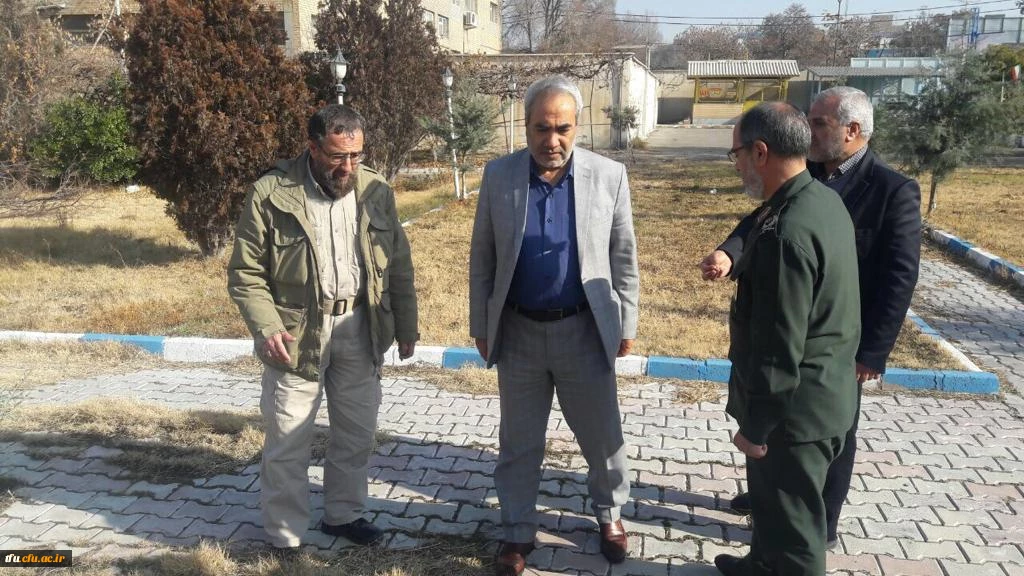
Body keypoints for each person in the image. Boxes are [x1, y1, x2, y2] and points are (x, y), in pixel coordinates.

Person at [702, 86, 921, 549]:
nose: (809, 129)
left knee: (828, 433)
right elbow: (759, 220)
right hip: (797, 329)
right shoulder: (809, 174)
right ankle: (772, 504)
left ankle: (820, 524)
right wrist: (730, 252)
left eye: (819, 123)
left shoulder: (891, 189)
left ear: (853, 131)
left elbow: (898, 277)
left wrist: (873, 351)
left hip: (838, 340)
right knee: (781, 434)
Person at [469, 75, 639, 576]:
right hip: (519, 332)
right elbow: (482, 257)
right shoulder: (499, 176)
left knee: (602, 436)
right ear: (526, 126)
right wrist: (482, 322)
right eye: (541, 128)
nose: (552, 140)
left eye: (562, 128)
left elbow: (623, 256)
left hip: (583, 330)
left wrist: (626, 321)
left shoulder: (608, 176)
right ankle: (517, 530)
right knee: (519, 442)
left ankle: (609, 515)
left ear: (577, 126)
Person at [228, 104, 418, 551]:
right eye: (337, 156)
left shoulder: (375, 190)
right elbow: (246, 272)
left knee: (356, 432)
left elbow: (398, 263)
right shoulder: (272, 193)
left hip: (362, 327)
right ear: (312, 148)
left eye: (356, 155)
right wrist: (266, 326)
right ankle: (284, 534)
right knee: (288, 438)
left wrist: (406, 324)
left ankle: (344, 514)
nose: (348, 167)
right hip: (295, 334)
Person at [711, 102, 861, 576]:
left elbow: (780, 346)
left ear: (760, 152)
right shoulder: (819, 200)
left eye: (736, 155)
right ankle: (761, 564)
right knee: (772, 509)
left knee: (797, 538)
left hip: (794, 414)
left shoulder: (787, 232)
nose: (736, 166)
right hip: (823, 396)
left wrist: (756, 427)